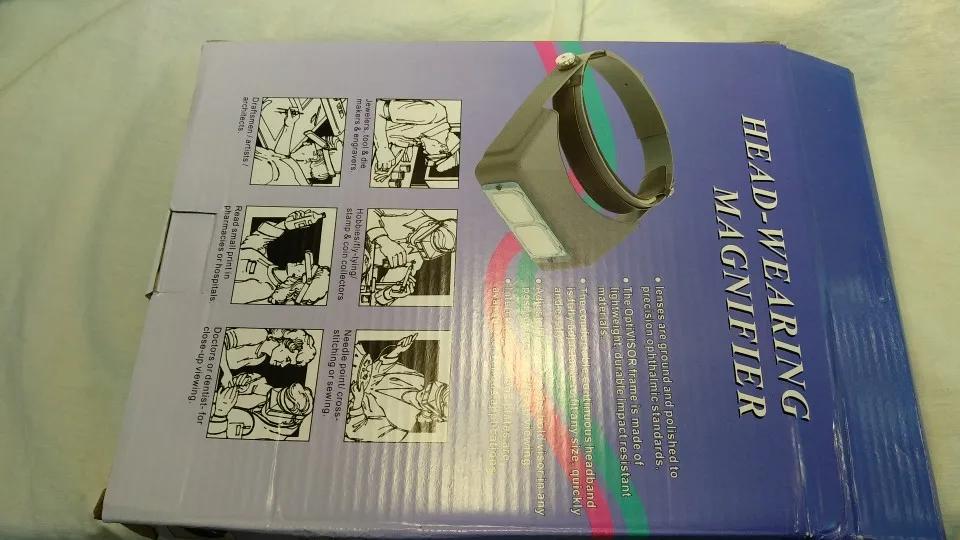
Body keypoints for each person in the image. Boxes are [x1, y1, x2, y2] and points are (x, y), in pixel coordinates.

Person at [345, 334, 450, 442]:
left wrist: (357, 402)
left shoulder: (400, 428)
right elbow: (379, 368)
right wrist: (398, 350)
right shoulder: (417, 378)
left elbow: (355, 430)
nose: (427, 391)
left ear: (431, 413)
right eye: (431, 388)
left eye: (430, 398)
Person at [232, 209, 331, 305]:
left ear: (297, 283)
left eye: (307, 267)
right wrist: (285, 225)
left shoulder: (263, 289)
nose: (303, 262)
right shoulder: (264, 263)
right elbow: (254, 241)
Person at [361, 209, 456, 306]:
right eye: (433, 239)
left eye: (439, 250)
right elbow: (369, 211)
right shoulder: (412, 211)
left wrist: (389, 294)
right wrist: (383, 240)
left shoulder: (414, 262)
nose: (423, 249)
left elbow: (372, 303)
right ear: (431, 225)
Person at [252, 104, 343, 186]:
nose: (305, 144)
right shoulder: (294, 171)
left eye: (315, 150)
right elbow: (282, 156)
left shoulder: (271, 172)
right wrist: (289, 125)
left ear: (311, 161)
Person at [372, 100, 460, 184]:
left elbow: (402, 144)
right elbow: (377, 109)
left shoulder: (427, 137)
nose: (424, 152)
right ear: (443, 147)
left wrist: (390, 169)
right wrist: (383, 148)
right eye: (430, 155)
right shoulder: (431, 114)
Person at [208, 373, 315, 440]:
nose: (272, 397)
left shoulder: (255, 429)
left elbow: (217, 444)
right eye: (280, 393)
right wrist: (244, 382)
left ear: (286, 420)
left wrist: (220, 415)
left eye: (278, 404)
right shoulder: (271, 394)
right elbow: (259, 383)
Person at [222, 328, 317, 372]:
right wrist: (226, 373)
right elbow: (220, 341)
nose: (283, 365)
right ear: (284, 344)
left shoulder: (260, 359)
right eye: (287, 359)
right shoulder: (260, 334)